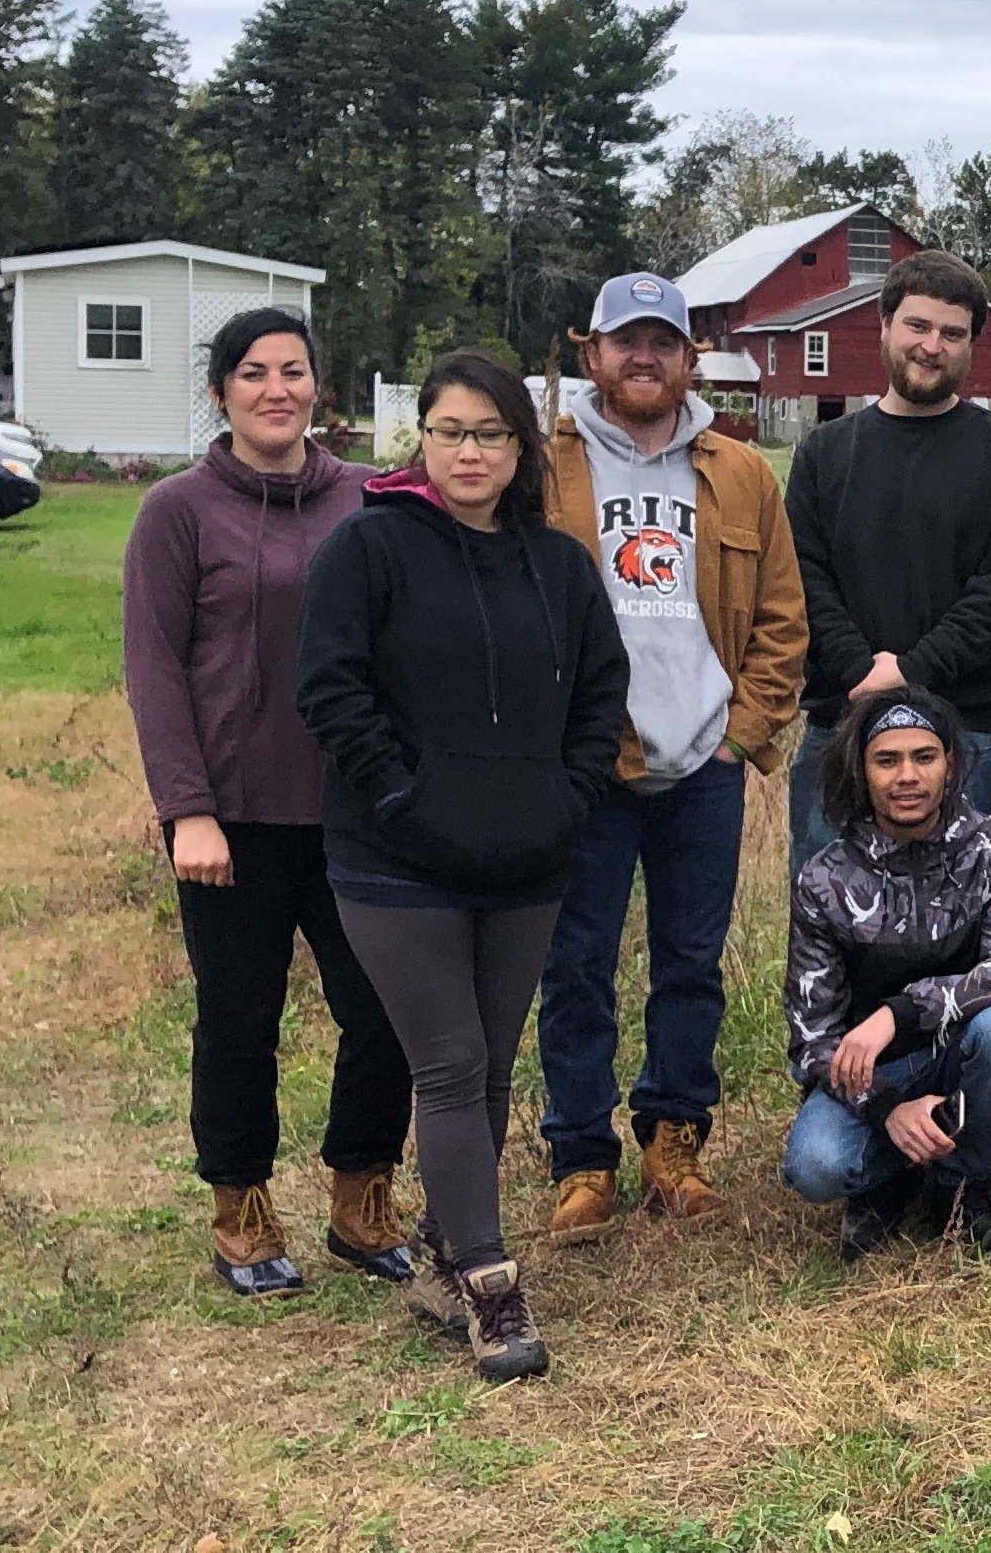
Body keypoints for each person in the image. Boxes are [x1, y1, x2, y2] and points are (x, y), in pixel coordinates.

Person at [296, 350, 628, 1383]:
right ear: (420, 439)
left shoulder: (562, 565)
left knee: (487, 1065)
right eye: (449, 430)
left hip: (524, 858)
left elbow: (598, 697)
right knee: (444, 1064)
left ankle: (445, 1253)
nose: (468, 450)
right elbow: (331, 690)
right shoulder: (369, 547)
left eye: (489, 433)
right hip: (395, 861)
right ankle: (489, 1283)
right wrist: (402, 798)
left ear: (522, 447)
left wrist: (566, 799)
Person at [123, 307, 413, 1297]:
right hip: (231, 819)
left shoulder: (370, 500)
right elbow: (156, 669)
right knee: (238, 1018)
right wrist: (185, 806)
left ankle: (361, 1195)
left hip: (354, 814)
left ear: (317, 388)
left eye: (294, 370)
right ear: (221, 391)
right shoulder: (177, 510)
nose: (275, 388)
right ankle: (240, 1206)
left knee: (383, 1009)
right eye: (253, 373)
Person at [535, 272, 807, 1242]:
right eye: (624, 340)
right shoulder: (544, 466)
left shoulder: (738, 471)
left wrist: (742, 733)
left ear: (691, 358)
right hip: (587, 766)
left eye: (662, 341)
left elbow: (781, 616)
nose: (642, 357)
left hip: (703, 765)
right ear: (591, 355)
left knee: (690, 963)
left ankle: (674, 1142)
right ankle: (579, 1158)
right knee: (576, 964)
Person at [784, 250, 991, 878]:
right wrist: (863, 673)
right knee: (829, 928)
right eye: (918, 326)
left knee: (951, 937)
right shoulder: (824, 453)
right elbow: (803, 579)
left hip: (963, 734)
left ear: (972, 346)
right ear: (883, 325)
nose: (932, 347)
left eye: (952, 334)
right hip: (841, 727)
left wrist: (906, 673)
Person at [782, 687, 991, 1259]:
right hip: (871, 1074)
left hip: (964, 1049)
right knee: (814, 1168)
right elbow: (811, 1038)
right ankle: (891, 1176)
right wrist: (884, 1108)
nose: (907, 776)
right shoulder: (825, 880)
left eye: (924, 757)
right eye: (887, 760)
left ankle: (965, 1184)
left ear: (951, 764)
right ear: (862, 769)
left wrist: (899, 1013)